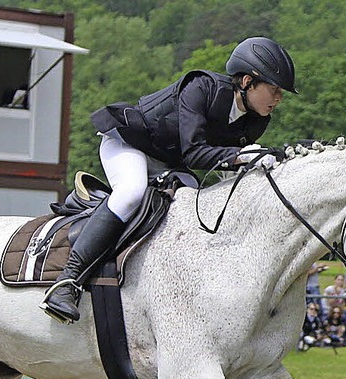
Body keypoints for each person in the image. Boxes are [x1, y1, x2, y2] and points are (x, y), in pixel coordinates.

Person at [42, 37, 297, 323]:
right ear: (248, 81)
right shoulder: (202, 88)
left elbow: (225, 169)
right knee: (131, 193)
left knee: (197, 211)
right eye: (274, 90)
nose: (279, 98)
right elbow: (195, 152)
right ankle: (66, 282)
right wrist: (242, 156)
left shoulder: (257, 120)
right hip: (131, 143)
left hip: (169, 162)